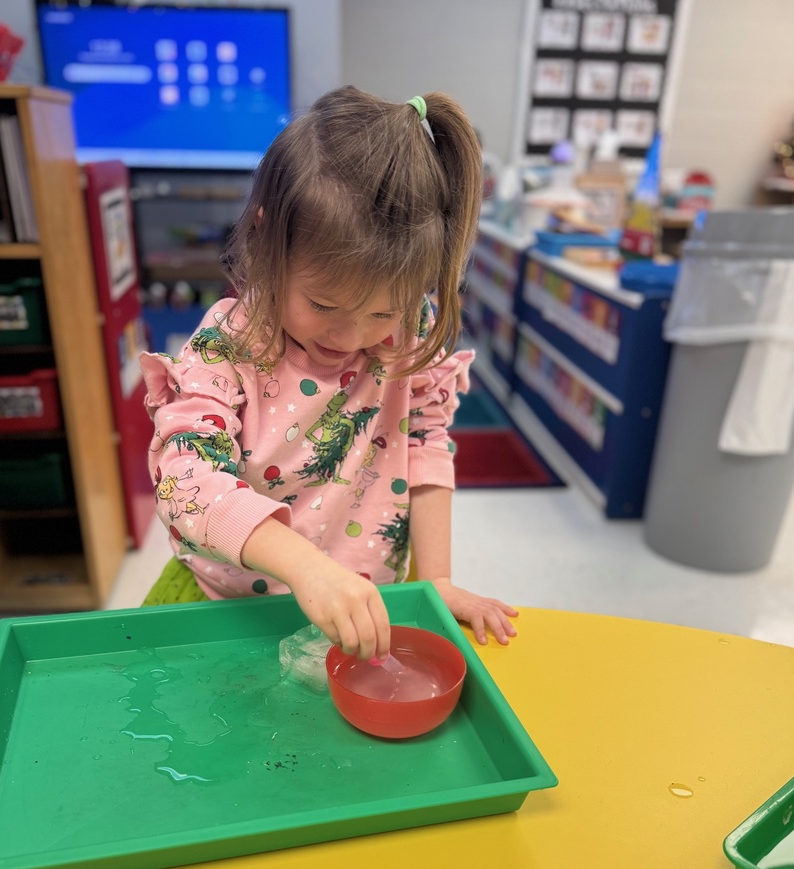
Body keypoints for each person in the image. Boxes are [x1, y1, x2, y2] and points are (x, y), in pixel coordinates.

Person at [140, 86, 517, 662]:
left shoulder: (413, 327)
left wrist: (435, 580)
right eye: (323, 305)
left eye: (383, 312)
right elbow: (185, 480)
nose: (350, 338)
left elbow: (423, 442)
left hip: (368, 605)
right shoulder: (226, 347)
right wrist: (306, 569)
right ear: (269, 238)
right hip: (229, 605)